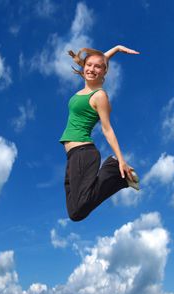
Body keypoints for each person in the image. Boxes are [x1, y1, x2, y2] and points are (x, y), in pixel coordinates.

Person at [60, 45, 140, 221]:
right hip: (72, 156)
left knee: (79, 207)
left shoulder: (99, 96)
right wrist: (117, 48)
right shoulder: (86, 86)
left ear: (104, 72)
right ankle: (116, 175)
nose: (92, 69)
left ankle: (113, 169)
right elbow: (99, 59)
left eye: (98, 67)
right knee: (75, 213)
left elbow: (107, 129)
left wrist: (121, 159)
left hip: (84, 153)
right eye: (89, 65)